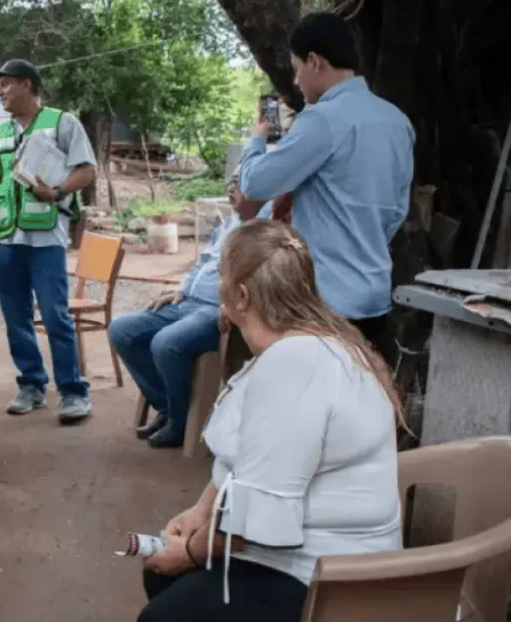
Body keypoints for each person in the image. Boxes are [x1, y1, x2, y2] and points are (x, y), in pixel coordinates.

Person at [139, 220, 403, 622]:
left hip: (326, 576)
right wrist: (201, 510)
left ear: (241, 296)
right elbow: (249, 460)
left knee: (163, 610)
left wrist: (188, 552)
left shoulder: (293, 364)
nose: (217, 287)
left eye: (220, 277)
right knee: (163, 581)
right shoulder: (313, 345)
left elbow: (257, 524)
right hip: (312, 557)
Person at [237, 13, 414, 364]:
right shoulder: (397, 121)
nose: (296, 79)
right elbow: (397, 212)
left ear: (315, 61)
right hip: (374, 295)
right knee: (361, 397)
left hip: (324, 302)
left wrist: (257, 142)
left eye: (297, 67)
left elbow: (255, 184)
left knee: (315, 407)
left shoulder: (322, 119)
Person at [0, 60, 98, 424]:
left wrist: (57, 191)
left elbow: (87, 170)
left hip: (46, 238)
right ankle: (32, 385)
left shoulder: (62, 123)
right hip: (7, 237)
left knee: (55, 315)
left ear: (27, 85)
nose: (0, 92)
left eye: (6, 85)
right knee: (16, 317)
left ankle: (73, 392)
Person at [108, 174, 270, 448]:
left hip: (214, 310)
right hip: (187, 301)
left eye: (240, 185)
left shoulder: (261, 233)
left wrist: (231, 306)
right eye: (230, 183)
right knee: (121, 330)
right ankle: (171, 410)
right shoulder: (227, 226)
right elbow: (201, 263)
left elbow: (257, 280)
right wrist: (181, 288)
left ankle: (179, 423)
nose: (231, 189)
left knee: (166, 343)